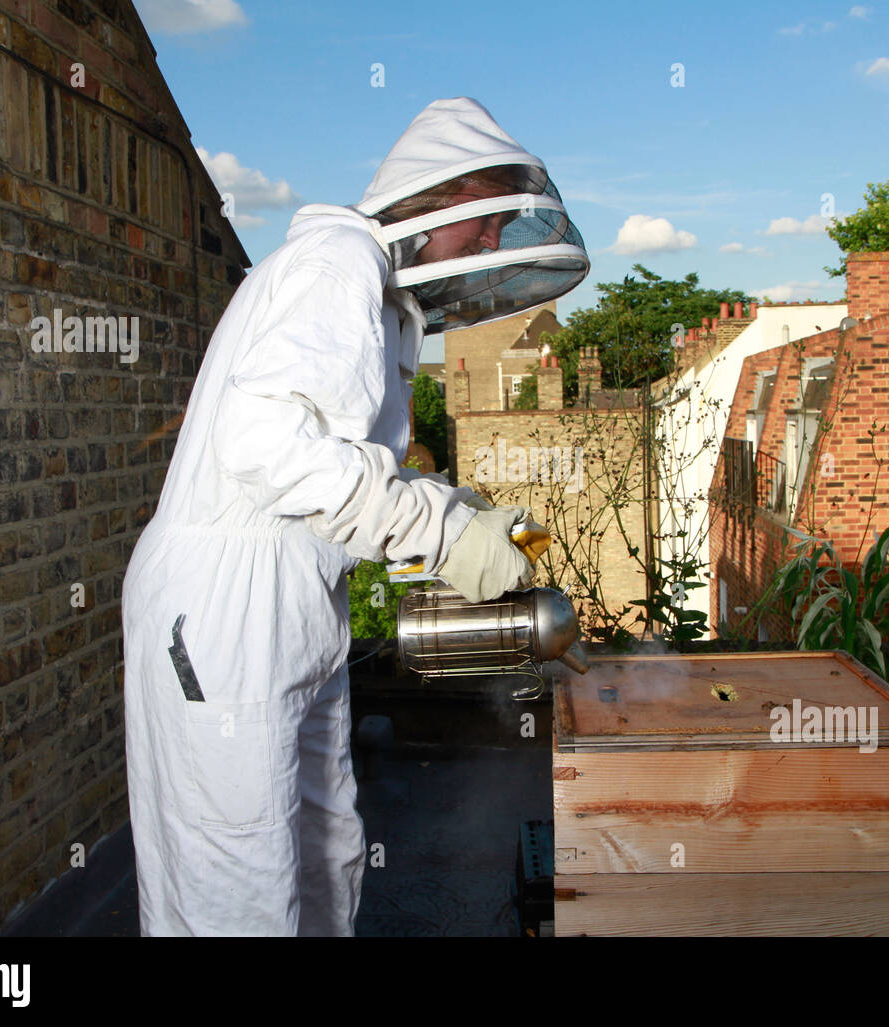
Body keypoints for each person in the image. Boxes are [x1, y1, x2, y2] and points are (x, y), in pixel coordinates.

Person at [120, 97, 589, 936]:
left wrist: (461, 511)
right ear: (439, 196)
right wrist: (442, 532)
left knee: (324, 849)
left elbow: (350, 474)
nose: (491, 244)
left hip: (297, 603)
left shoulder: (380, 299)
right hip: (225, 608)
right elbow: (265, 445)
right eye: (484, 220)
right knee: (238, 879)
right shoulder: (338, 260)